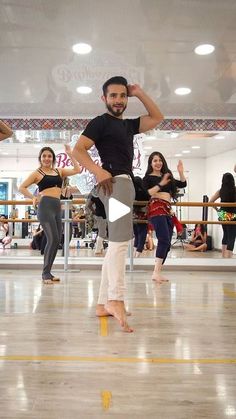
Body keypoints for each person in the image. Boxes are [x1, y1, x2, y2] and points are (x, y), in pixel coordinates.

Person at [72, 76, 164, 332]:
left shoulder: (128, 126)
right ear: (104, 99)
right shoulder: (101, 122)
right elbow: (78, 149)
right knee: (121, 242)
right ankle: (116, 299)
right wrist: (98, 170)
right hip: (117, 185)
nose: (118, 100)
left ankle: (103, 303)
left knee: (116, 244)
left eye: (123, 95)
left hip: (123, 186)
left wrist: (139, 92)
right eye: (113, 96)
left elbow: (157, 117)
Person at [19, 145, 81, 283]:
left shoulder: (59, 171)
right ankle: (45, 273)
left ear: (53, 158)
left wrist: (70, 154)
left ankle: (49, 273)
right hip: (45, 206)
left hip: (56, 207)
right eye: (44, 156)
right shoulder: (37, 173)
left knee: (57, 239)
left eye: (49, 156)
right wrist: (33, 197)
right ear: (40, 158)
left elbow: (78, 170)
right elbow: (21, 187)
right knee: (52, 239)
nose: (47, 158)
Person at [143, 152, 187, 283]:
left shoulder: (167, 177)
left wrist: (181, 172)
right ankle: (156, 273)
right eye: (155, 160)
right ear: (150, 163)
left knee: (167, 244)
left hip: (167, 210)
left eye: (160, 160)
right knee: (164, 240)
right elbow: (146, 193)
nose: (158, 163)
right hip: (156, 208)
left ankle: (157, 272)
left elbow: (183, 184)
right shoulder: (148, 178)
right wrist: (160, 184)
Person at [209, 172, 236, 258]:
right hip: (232, 215)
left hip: (223, 214)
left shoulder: (220, 191)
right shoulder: (235, 190)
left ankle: (224, 255)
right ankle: (228, 257)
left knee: (226, 234)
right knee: (231, 235)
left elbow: (210, 202)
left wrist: (218, 210)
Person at [133, 176, 150, 257]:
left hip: (134, 213)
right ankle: (139, 249)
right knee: (142, 232)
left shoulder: (133, 191)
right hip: (143, 213)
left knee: (136, 232)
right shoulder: (144, 191)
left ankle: (135, 248)